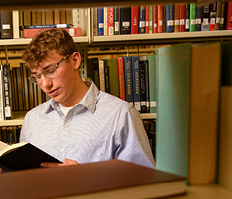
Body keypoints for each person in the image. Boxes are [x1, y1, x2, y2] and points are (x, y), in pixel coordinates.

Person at [20, 28, 155, 168]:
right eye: (37, 76)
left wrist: (87, 179)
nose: (45, 84)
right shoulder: (32, 119)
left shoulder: (121, 115)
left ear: (75, 60)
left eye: (50, 70)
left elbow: (144, 182)